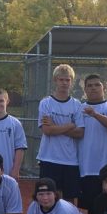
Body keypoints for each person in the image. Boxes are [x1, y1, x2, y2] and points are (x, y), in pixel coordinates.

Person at [35, 64, 84, 205]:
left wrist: (55, 126)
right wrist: (69, 125)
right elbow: (47, 131)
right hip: (49, 158)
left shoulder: (76, 105)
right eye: (61, 79)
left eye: (67, 80)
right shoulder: (46, 103)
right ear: (55, 80)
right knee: (47, 198)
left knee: (70, 199)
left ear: (71, 82)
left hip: (70, 160)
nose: (64, 83)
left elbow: (80, 132)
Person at [78, 74, 107, 211]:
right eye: (89, 85)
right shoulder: (79, 109)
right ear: (85, 89)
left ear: (104, 87)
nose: (93, 88)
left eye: (97, 85)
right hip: (88, 168)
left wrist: (95, 114)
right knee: (92, 209)